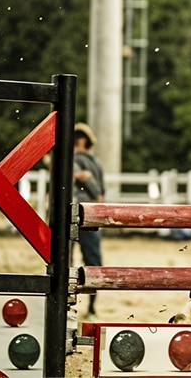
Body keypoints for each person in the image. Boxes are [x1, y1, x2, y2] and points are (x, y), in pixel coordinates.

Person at [72, 122, 105, 317]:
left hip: (84, 211)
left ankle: (90, 303)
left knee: (88, 259)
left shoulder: (76, 159)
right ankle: (90, 303)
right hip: (89, 210)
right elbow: (98, 187)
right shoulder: (94, 161)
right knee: (90, 259)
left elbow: (89, 180)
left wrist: (88, 182)